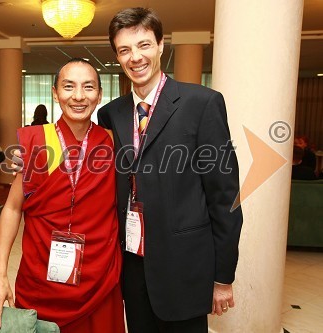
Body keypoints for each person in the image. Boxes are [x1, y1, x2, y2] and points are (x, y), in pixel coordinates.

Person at [97, 7, 243, 332]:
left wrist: (223, 277)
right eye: (124, 50)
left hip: (185, 266)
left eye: (144, 45)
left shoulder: (202, 104)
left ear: (161, 45)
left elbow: (225, 197)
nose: (135, 57)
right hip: (132, 265)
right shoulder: (111, 114)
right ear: (117, 56)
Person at [0, 58, 124, 333]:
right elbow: (11, 208)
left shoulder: (114, 142)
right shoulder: (36, 141)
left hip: (99, 278)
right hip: (41, 275)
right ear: (55, 93)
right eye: (68, 87)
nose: (79, 96)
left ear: (99, 95)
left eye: (88, 87)